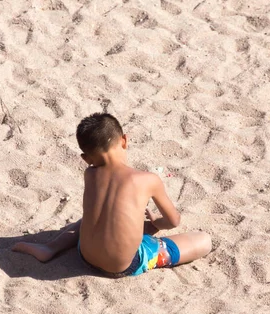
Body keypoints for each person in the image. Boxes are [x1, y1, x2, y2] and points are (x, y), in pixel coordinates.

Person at [12, 113, 212, 277]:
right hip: (124, 265)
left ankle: (51, 248)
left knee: (90, 219)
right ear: (124, 140)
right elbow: (174, 221)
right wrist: (157, 224)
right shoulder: (147, 179)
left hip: (85, 255)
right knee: (203, 241)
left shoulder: (90, 174)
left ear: (85, 158)